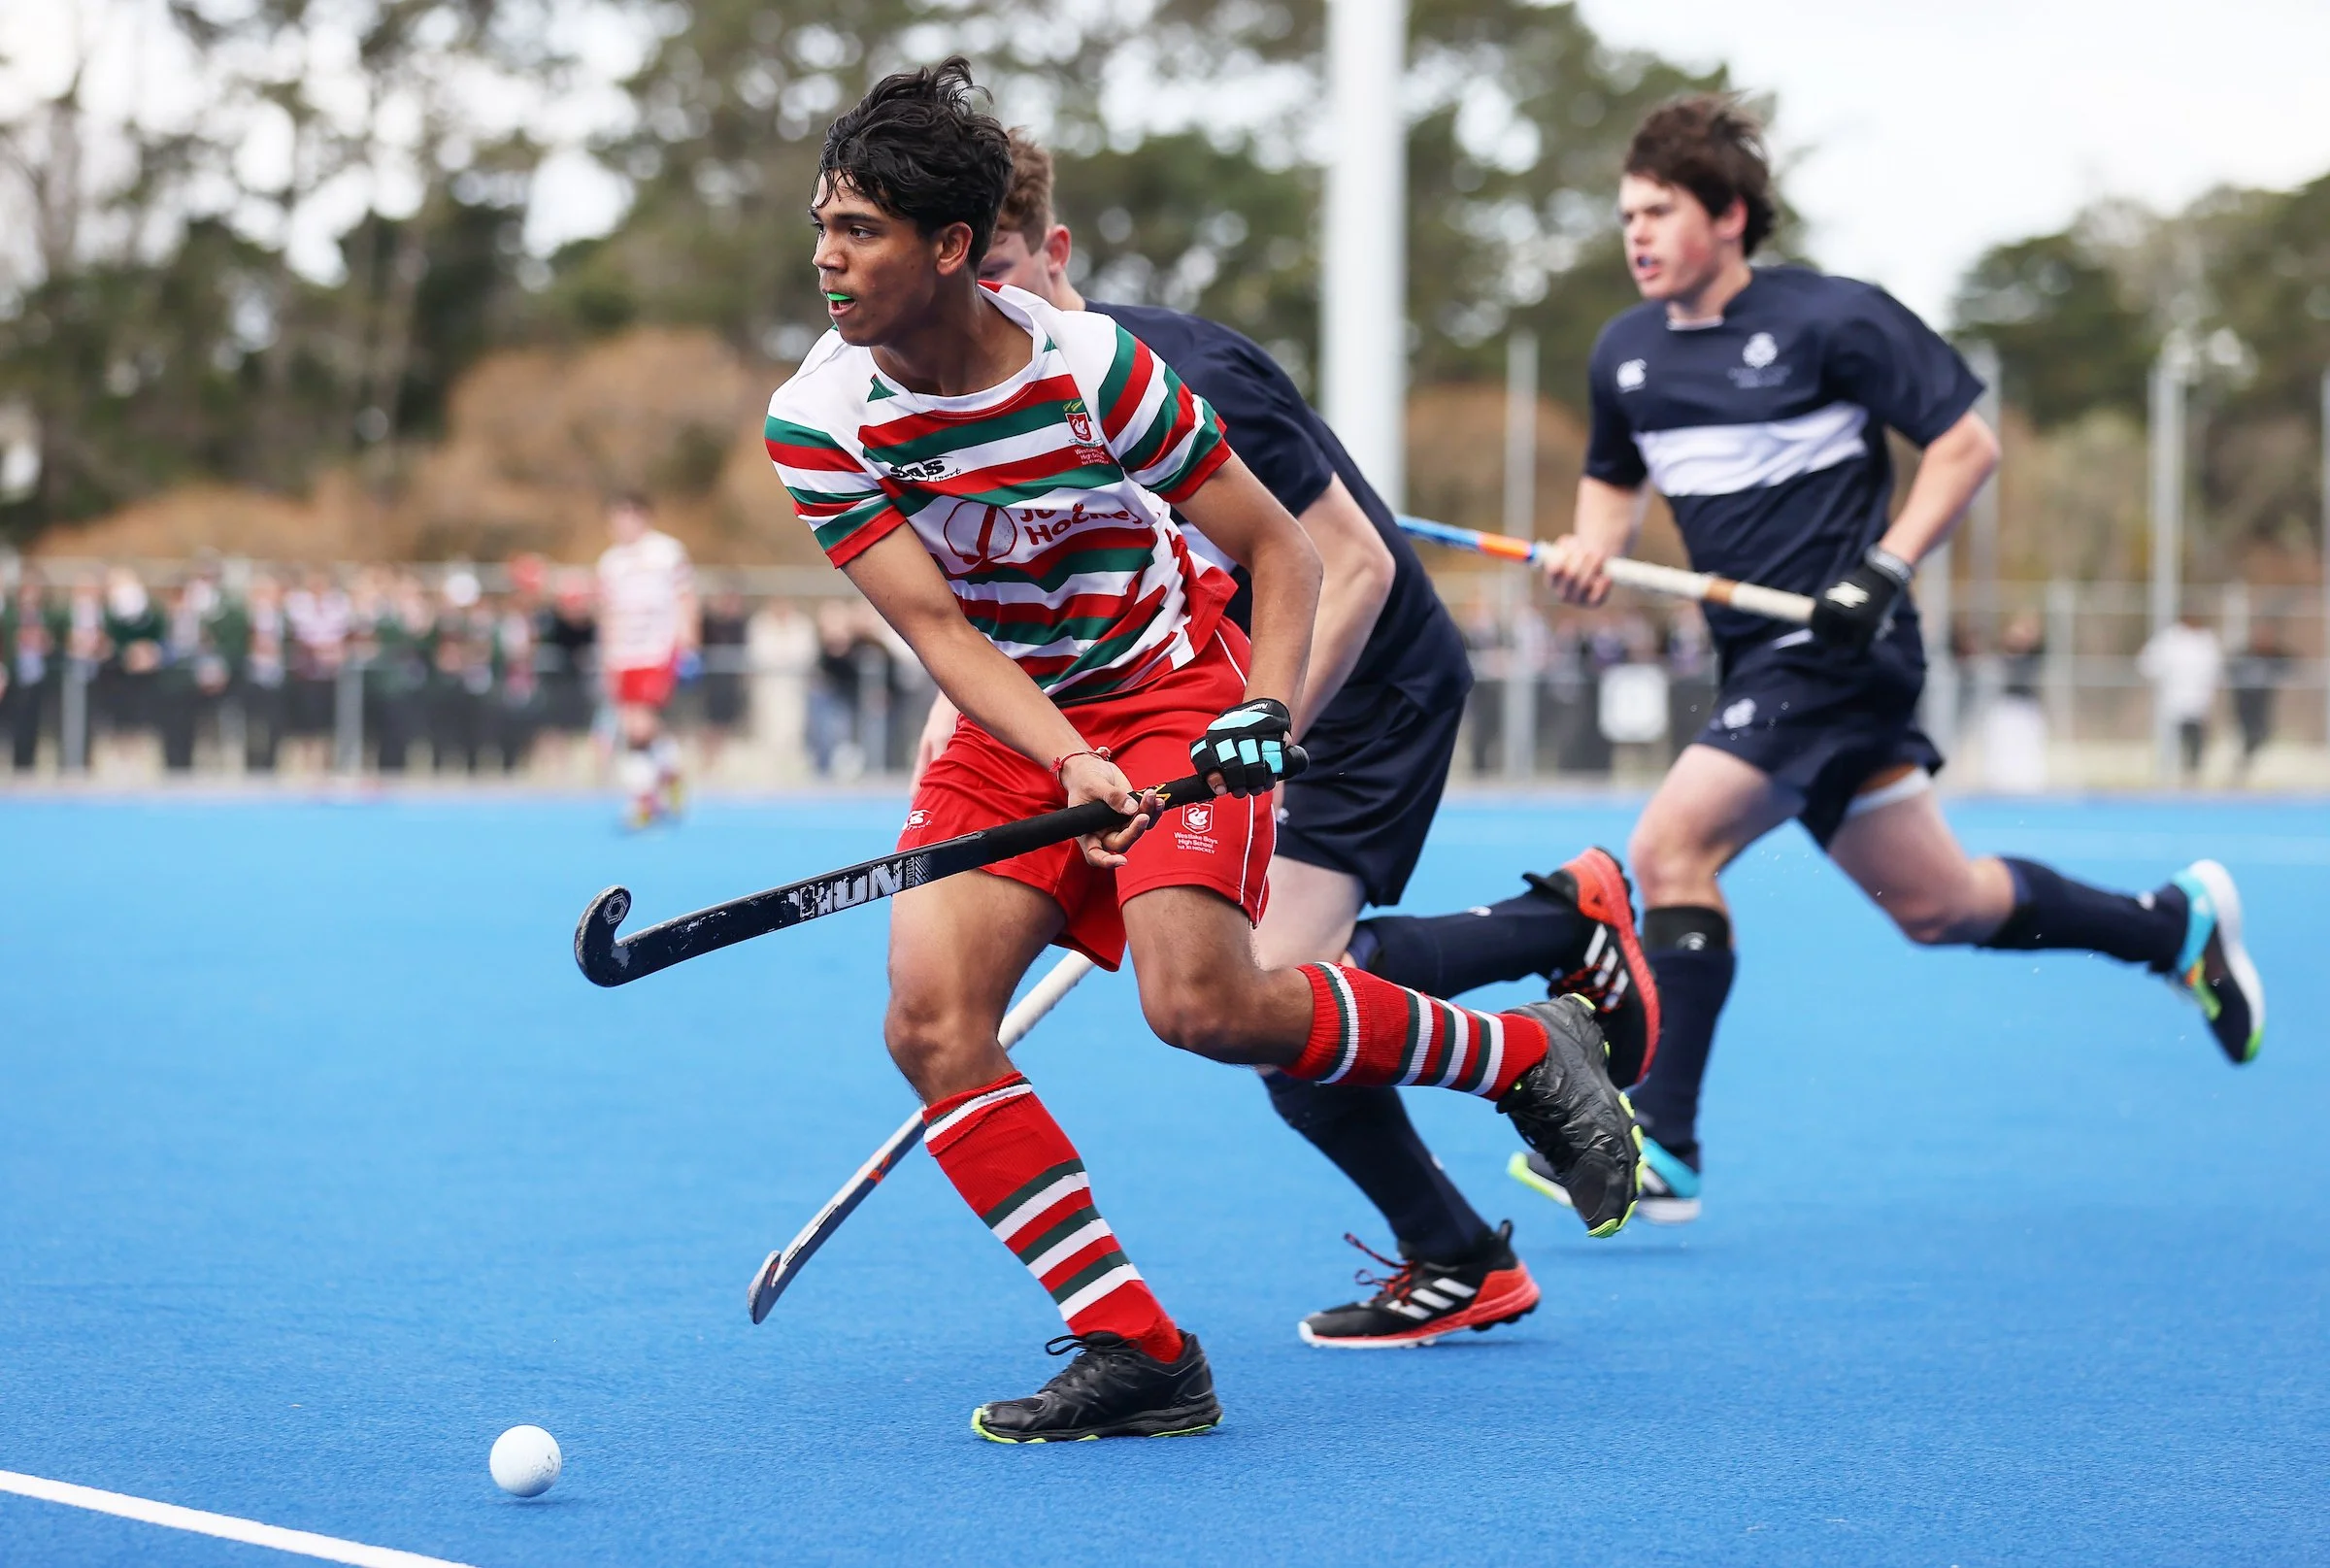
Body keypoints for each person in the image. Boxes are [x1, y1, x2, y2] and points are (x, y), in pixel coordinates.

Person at [763, 60, 1638, 1442]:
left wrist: (1263, 723)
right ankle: (1139, 1349)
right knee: (931, 1018)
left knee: (1203, 1005)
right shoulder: (817, 424)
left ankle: (1520, 1048)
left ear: (950, 249)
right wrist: (1062, 759)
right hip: (1021, 722)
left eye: (859, 229)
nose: (825, 257)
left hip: (1177, 685)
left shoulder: (1099, 373)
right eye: (821, 222)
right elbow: (941, 631)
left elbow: (1283, 549)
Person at [958, 128, 1663, 1348]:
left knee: (1262, 996)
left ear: (1054, 251)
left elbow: (1358, 564)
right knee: (1267, 1005)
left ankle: (1562, 934)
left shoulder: (1177, 373)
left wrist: (1250, 756)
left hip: (1360, 680)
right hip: (1221, 695)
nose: (979, 306)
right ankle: (1461, 1240)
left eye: (999, 271)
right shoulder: (998, 404)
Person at [1529, 95, 2264, 1223]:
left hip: (1842, 655)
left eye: (1659, 211)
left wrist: (1884, 566)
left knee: (1670, 843)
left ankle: (1663, 1140)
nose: (1635, 234)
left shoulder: (1836, 320)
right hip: (1760, 668)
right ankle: (2172, 927)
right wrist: (1589, 556)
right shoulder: (1624, 356)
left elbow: (1967, 443)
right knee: (1942, 904)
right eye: (1626, 213)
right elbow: (1611, 499)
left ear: (1728, 216)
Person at [595, 494, 697, 825]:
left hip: (657, 648)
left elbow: (686, 598)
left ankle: (643, 800)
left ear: (643, 517)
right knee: (634, 724)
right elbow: (607, 612)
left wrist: (690, 643)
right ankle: (670, 770)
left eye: (628, 517)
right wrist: (608, 657)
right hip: (623, 654)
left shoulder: (667, 552)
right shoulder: (609, 563)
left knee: (639, 726)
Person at [2138, 610, 2223, 782]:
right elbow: (2148, 664)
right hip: (2172, 699)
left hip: (2199, 700)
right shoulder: (2169, 639)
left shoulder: (2206, 641)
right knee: (2169, 737)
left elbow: (2215, 670)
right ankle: (2165, 773)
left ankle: (2192, 773)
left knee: (2196, 738)